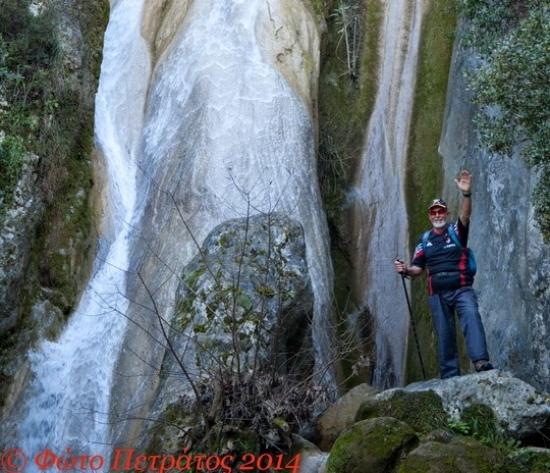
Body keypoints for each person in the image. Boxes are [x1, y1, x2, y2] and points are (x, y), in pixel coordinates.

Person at [394, 170, 493, 379]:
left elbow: (465, 216)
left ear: (446, 214)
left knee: (472, 318)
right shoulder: (424, 241)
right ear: (430, 216)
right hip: (437, 293)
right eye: (434, 212)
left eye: (441, 211)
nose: (437, 215)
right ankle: (449, 375)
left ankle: (481, 363)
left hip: (461, 288)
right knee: (444, 333)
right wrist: (405, 270)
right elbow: (417, 268)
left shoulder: (456, 232)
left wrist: (466, 195)